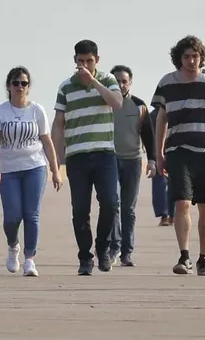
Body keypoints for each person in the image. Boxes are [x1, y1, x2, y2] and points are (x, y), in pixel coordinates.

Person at [153, 35, 205, 276]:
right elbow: (161, 119)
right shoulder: (167, 83)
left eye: (195, 56)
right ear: (179, 58)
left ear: (201, 58)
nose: (191, 61)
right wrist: (159, 154)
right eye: (186, 56)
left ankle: (204, 258)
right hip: (178, 151)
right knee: (182, 202)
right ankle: (184, 255)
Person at [51, 39, 124, 275]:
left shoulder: (108, 80)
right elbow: (59, 124)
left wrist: (93, 81)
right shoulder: (66, 87)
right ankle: (85, 257)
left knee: (111, 203)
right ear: (74, 61)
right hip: (77, 156)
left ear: (97, 60)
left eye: (89, 61)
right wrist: (55, 161)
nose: (84, 65)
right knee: (80, 209)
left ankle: (102, 249)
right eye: (80, 61)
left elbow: (117, 103)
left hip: (104, 154)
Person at [0, 66, 62, 276]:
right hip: (9, 170)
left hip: (35, 167)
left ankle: (30, 259)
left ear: (28, 87)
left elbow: (47, 142)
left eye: (24, 83)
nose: (20, 87)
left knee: (32, 215)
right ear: (9, 86)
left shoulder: (37, 110)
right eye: (16, 83)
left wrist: (55, 171)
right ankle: (13, 246)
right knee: (12, 216)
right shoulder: (0, 111)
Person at [107, 64, 156, 267]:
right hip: (109, 161)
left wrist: (152, 160)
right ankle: (114, 247)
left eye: (124, 81)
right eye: (116, 81)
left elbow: (148, 135)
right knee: (112, 205)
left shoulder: (139, 105)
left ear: (130, 82)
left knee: (129, 208)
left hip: (133, 161)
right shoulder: (105, 104)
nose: (120, 84)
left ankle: (127, 251)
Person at [148, 106, 175, 226]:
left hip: (172, 152)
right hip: (164, 153)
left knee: (167, 186)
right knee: (165, 186)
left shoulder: (153, 115)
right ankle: (168, 215)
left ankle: (168, 215)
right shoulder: (152, 116)